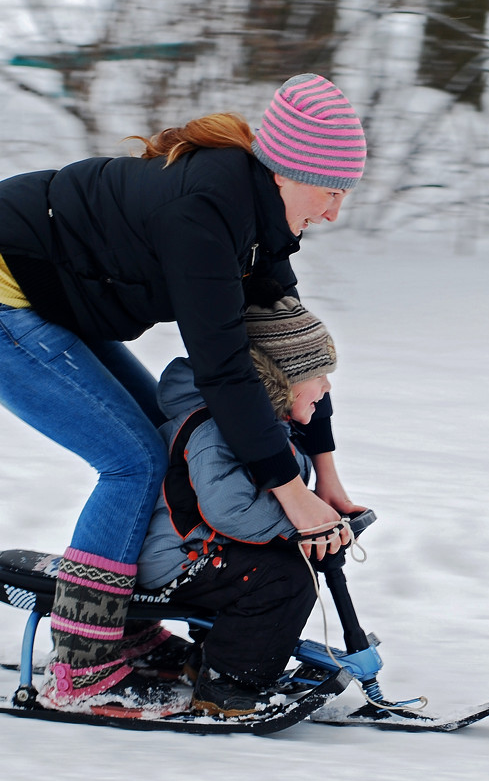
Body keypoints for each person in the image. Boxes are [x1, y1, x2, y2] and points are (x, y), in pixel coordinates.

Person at [0, 74, 367, 716]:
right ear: (286, 170)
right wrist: (290, 494)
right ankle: (83, 663)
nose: (333, 211)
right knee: (133, 462)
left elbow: (293, 351)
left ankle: (124, 627)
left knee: (161, 439)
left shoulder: (259, 217)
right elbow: (224, 372)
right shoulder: (206, 215)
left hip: (47, 303)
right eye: (330, 191)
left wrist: (324, 474)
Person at [137, 290, 357, 717]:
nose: (327, 387)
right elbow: (229, 509)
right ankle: (230, 684)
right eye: (320, 375)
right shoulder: (214, 429)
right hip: (178, 557)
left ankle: (209, 660)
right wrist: (297, 527)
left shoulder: (266, 423)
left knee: (271, 567)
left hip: (204, 547)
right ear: (282, 379)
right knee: (284, 577)